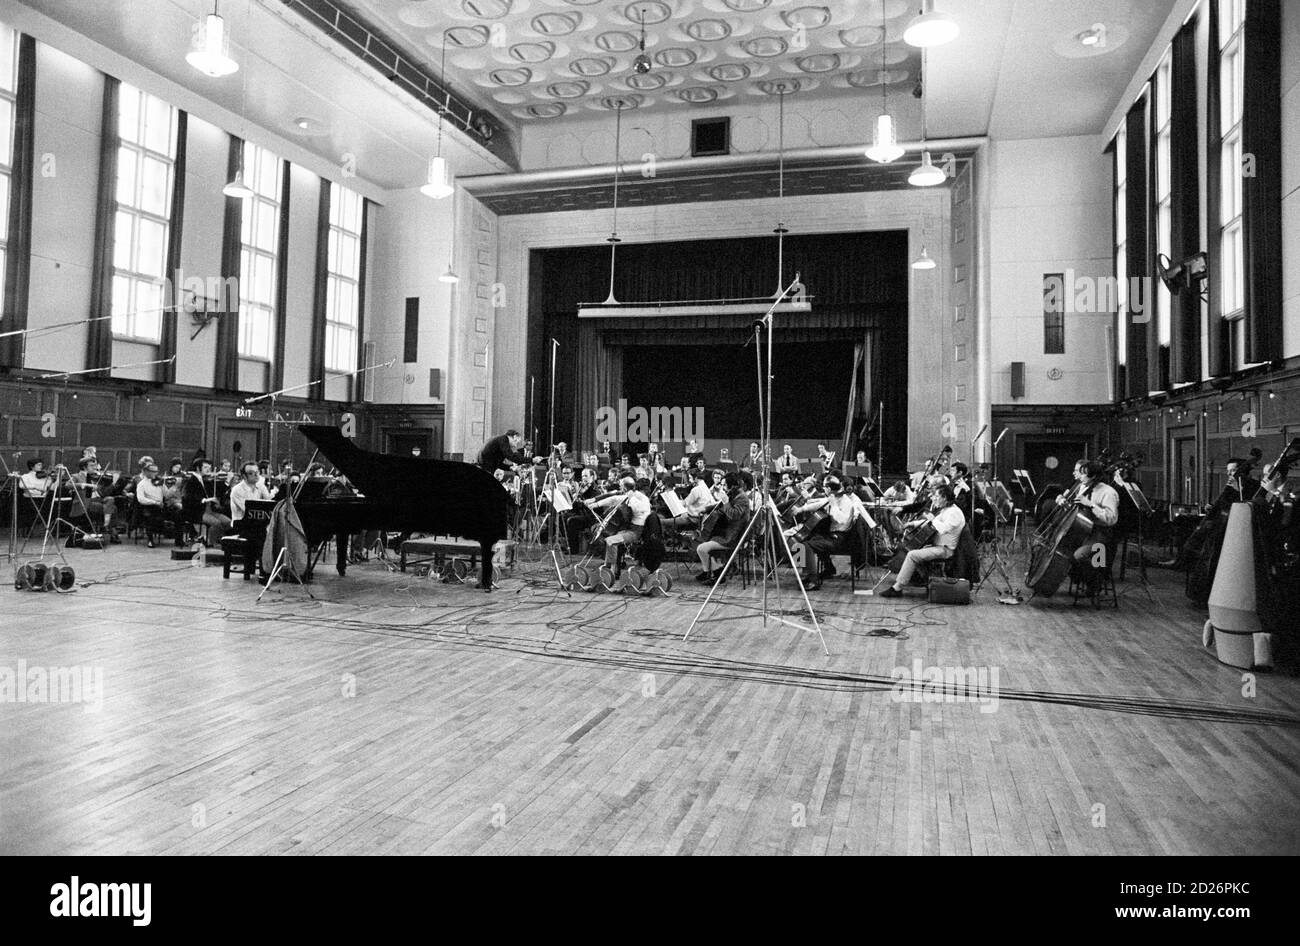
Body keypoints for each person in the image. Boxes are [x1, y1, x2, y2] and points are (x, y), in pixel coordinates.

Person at [790, 473, 876, 590]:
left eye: (825, 487)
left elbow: (841, 520)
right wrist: (801, 509)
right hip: (832, 535)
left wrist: (834, 505)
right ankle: (823, 569)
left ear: (829, 489)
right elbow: (819, 503)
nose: (823, 489)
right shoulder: (835, 497)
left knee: (805, 546)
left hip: (841, 538)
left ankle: (813, 580)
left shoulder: (846, 502)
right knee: (806, 540)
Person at [880, 484, 966, 597]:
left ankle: (897, 588)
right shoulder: (946, 509)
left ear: (944, 497)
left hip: (945, 550)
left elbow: (943, 529)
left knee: (912, 554)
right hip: (938, 546)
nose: (933, 498)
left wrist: (933, 518)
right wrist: (912, 523)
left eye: (936, 496)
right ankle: (919, 580)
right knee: (910, 548)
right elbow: (929, 523)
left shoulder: (954, 513)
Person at [695, 472, 752, 583]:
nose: (722, 487)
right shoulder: (734, 494)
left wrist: (726, 501)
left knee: (701, 548)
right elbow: (720, 505)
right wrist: (705, 509)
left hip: (733, 537)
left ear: (733, 486)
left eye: (724, 485)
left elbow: (734, 515)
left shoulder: (742, 498)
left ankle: (717, 573)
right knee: (701, 543)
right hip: (726, 532)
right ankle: (708, 571)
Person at [588, 476, 651, 572]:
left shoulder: (642, 499)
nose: (620, 489)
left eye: (621, 486)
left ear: (625, 488)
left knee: (610, 540)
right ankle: (608, 565)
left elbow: (639, 510)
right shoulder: (631, 495)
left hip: (635, 532)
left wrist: (631, 498)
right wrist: (596, 504)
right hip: (628, 529)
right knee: (609, 536)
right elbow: (614, 499)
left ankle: (612, 568)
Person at [182, 460, 232, 547]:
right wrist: (205, 500)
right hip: (197, 511)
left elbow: (217, 492)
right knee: (217, 523)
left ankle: (213, 539)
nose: (208, 470)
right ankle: (210, 542)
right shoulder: (191, 481)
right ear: (198, 468)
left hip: (210, 510)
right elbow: (189, 498)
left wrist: (227, 482)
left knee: (228, 522)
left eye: (209, 468)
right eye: (205, 467)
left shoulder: (205, 479)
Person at [72, 457, 120, 541]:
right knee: (113, 508)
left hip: (98, 500)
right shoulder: (76, 476)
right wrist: (85, 485)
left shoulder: (97, 477)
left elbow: (104, 493)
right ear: (84, 467)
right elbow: (68, 485)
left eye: (95, 465)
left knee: (110, 499)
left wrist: (113, 483)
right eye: (91, 465)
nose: (95, 467)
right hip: (86, 502)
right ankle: (110, 530)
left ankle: (106, 523)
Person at [660, 467, 717, 533]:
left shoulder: (696, 489)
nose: (689, 480)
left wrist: (674, 499)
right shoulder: (705, 487)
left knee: (664, 521)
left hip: (693, 519)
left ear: (696, 478)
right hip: (698, 516)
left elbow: (685, 504)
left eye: (690, 478)